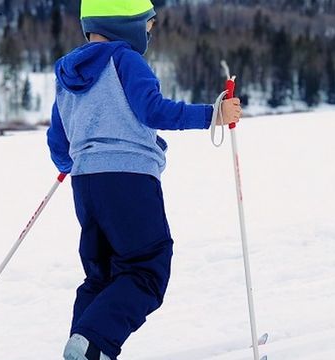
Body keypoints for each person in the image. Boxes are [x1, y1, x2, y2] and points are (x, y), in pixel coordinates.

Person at [46, 1, 242, 359]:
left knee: (102, 276)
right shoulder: (125, 59)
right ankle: (94, 344)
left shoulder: (67, 71)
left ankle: (85, 347)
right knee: (146, 268)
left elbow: (59, 140)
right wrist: (213, 114)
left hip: (86, 184)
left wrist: (68, 162)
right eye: (148, 25)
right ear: (127, 22)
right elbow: (153, 110)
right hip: (129, 179)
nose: (150, 33)